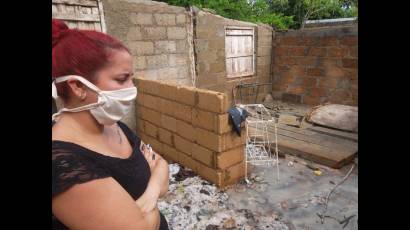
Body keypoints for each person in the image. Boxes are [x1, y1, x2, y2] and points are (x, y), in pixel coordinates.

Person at [52, 19, 169, 230]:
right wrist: (155, 185)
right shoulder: (62, 162)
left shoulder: (114, 127)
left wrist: (149, 196)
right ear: (78, 86)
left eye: (131, 78)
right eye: (122, 79)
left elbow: (162, 165)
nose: (132, 88)